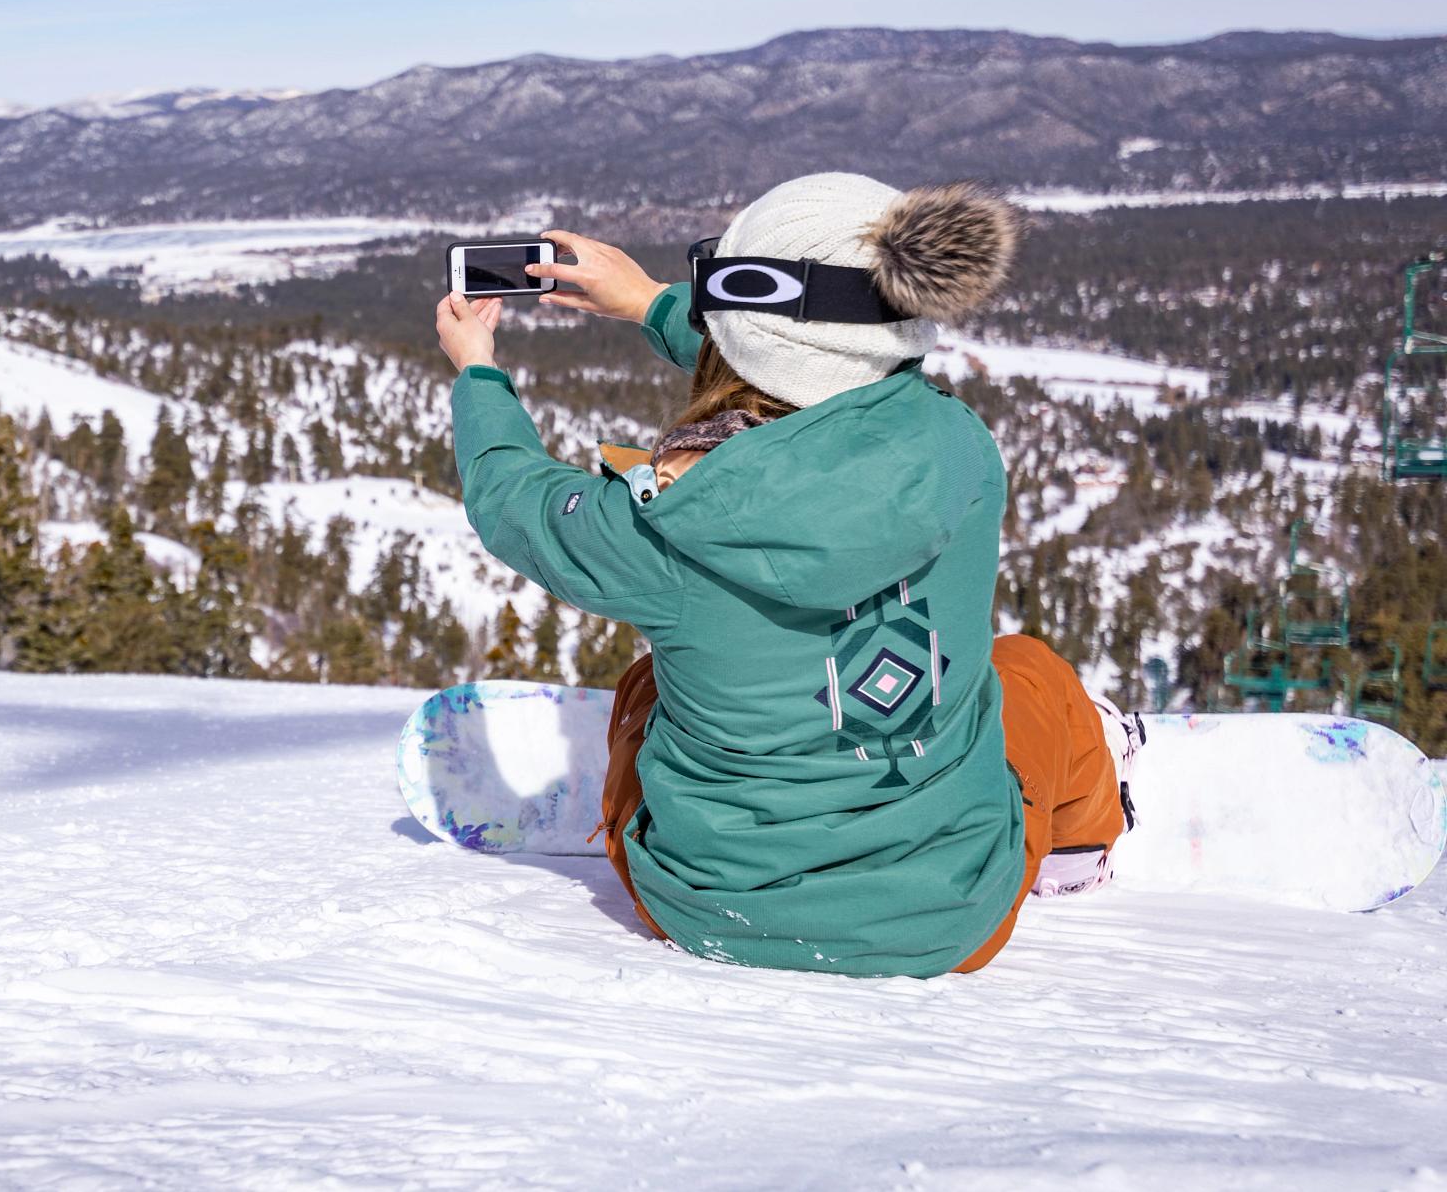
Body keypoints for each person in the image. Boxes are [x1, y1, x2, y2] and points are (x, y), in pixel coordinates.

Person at [432, 173, 1134, 977]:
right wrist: (648, 304)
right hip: (957, 910)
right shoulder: (960, 449)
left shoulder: (663, 528)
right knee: (1027, 675)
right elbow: (825, 371)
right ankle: (1080, 849)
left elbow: (514, 500)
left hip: (713, 908)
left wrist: (477, 371)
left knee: (646, 687)